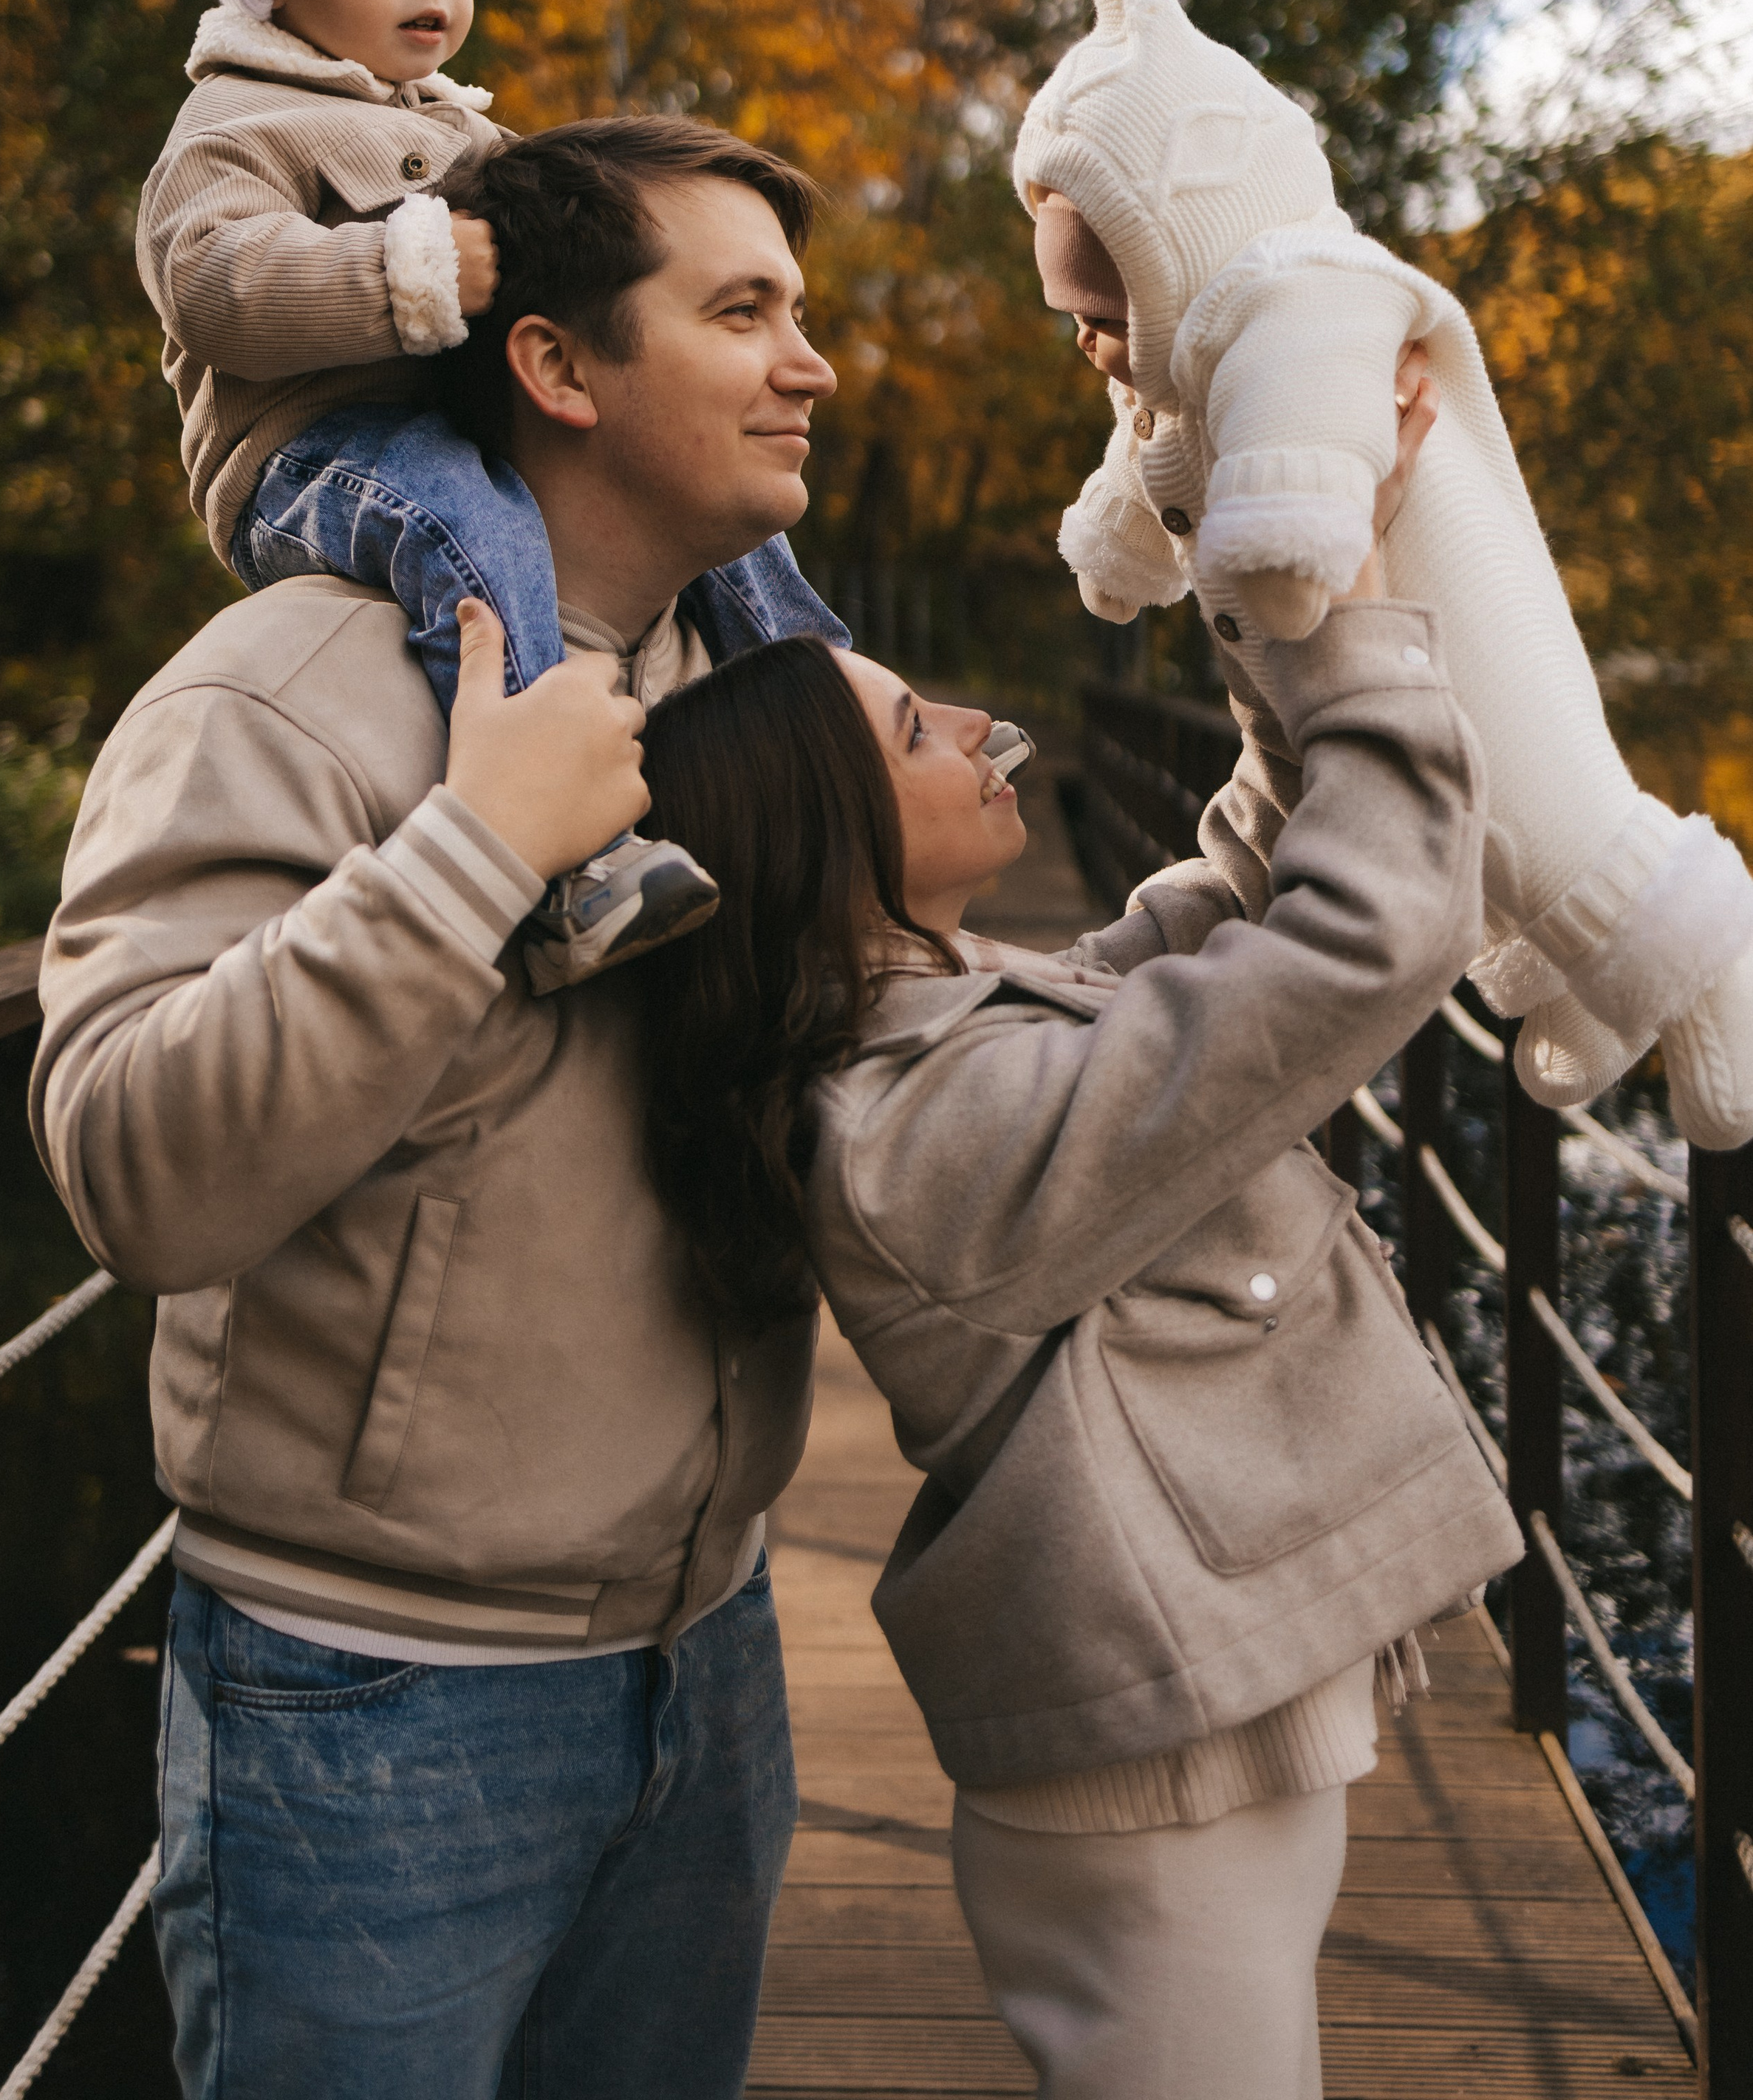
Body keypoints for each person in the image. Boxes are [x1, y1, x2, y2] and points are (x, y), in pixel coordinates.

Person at [32, 115, 844, 2100]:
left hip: (713, 1659)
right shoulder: (278, 692)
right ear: (558, 368)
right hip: (374, 1709)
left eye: (801, 316)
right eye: (745, 314)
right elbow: (131, 1163)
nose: (813, 363)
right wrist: (478, 851)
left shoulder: (743, 691)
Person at [631, 372, 1521, 2100]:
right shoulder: (920, 1127)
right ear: (829, 851)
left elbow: (1240, 898)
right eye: (911, 731)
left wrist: (1272, 542)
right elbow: (1353, 947)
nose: (971, 722)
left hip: (1200, 1728)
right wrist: (1354, 640)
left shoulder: (943, 1021)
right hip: (1151, 1791)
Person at [137, 0, 840, 985]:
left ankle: (837, 701)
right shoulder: (236, 128)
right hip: (305, 454)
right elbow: (214, 289)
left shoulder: (460, 127)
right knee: (469, 523)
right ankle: (563, 853)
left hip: (430, 429)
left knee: (735, 513)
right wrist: (406, 276)